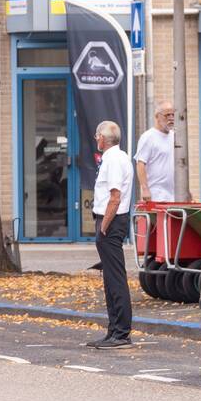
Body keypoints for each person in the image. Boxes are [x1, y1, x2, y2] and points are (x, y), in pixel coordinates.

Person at [87, 120, 134, 349]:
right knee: (109, 278)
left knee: (115, 278)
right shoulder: (116, 157)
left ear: (103, 138)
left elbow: (115, 196)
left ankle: (122, 333)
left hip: (111, 222)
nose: (96, 139)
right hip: (110, 220)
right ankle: (114, 330)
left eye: (97, 136)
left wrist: (104, 225)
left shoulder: (114, 160)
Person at [135, 101, 175, 202]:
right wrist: (145, 189)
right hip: (155, 195)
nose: (171, 118)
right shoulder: (148, 137)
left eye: (173, 114)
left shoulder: (174, 136)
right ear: (157, 116)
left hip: (173, 195)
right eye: (167, 115)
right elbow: (140, 164)